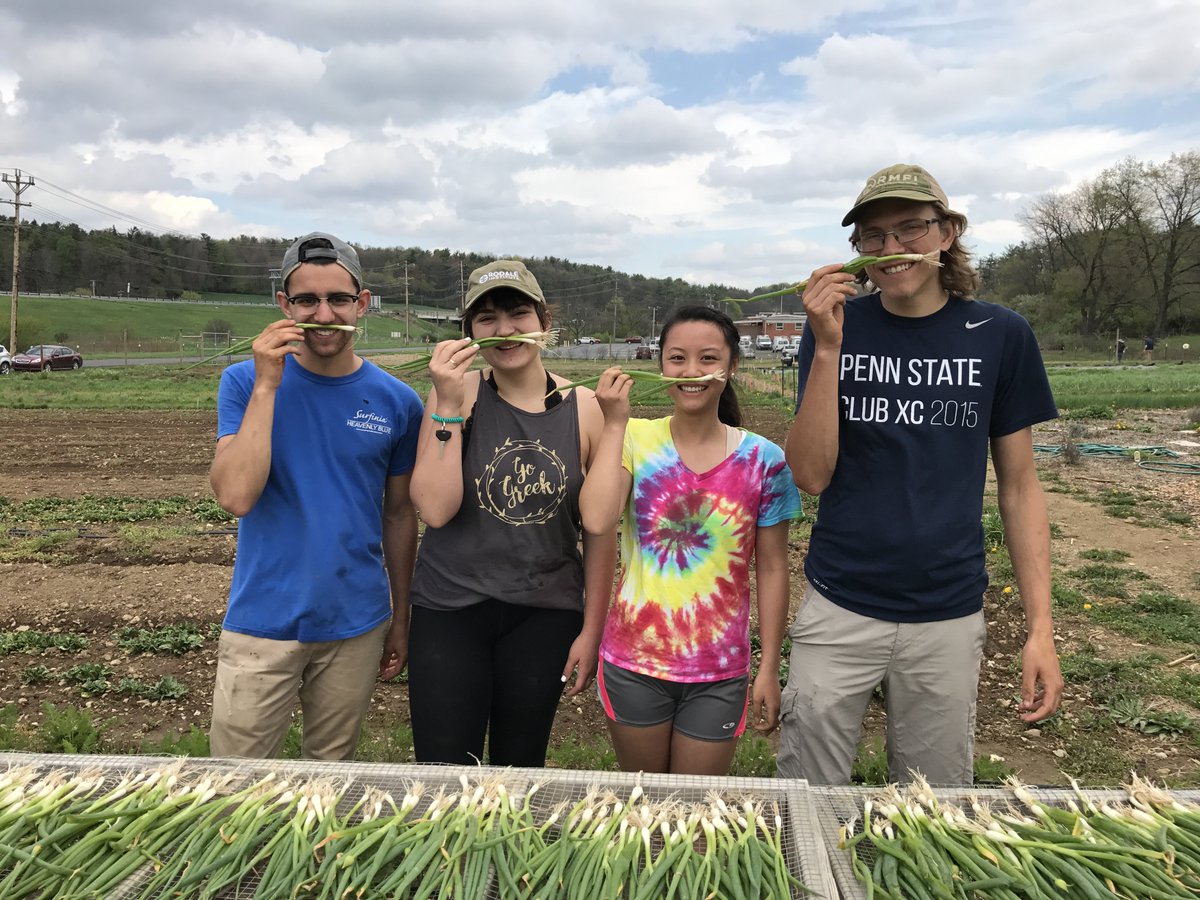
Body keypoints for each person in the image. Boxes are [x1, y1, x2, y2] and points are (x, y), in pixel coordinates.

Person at [778, 163, 1063, 785]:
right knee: (807, 790)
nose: (892, 248)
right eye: (873, 237)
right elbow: (810, 475)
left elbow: (1019, 487)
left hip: (948, 610)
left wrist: (1040, 628)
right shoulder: (834, 329)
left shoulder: (1000, 334)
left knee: (933, 801)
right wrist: (828, 348)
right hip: (840, 601)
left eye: (911, 229)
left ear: (948, 233)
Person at [209, 232, 422, 760]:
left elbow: (399, 515)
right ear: (284, 306)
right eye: (307, 300)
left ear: (363, 304)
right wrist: (266, 385)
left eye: (338, 299)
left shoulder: (398, 402)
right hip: (263, 622)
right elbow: (236, 494)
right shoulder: (243, 383)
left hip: (355, 624)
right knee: (233, 784)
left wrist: (401, 618)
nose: (323, 314)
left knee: (329, 780)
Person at [406, 259, 617, 767]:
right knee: (442, 769)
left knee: (519, 769)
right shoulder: (453, 394)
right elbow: (434, 509)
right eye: (486, 319)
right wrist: (448, 407)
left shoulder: (585, 406)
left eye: (518, 313)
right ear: (469, 333)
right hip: (450, 609)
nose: (505, 330)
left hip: (543, 614)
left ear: (543, 320)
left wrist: (592, 631)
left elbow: (600, 535)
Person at [582, 306, 802, 776]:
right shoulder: (635, 439)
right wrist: (615, 424)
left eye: (707, 359)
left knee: (696, 815)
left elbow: (773, 568)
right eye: (677, 358)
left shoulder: (765, 460)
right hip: (634, 660)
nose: (692, 372)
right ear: (660, 364)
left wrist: (767, 667)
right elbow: (597, 520)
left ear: (733, 366)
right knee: (647, 809)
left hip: (719, 672)